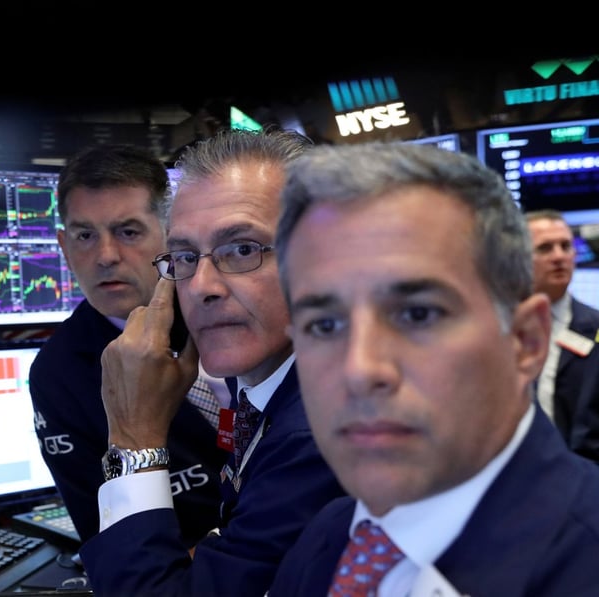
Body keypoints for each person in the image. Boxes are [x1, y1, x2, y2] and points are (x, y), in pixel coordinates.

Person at [267, 142, 599, 595]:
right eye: (324, 325)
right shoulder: (328, 534)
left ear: (526, 342)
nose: (360, 370)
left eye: (418, 314)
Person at [78, 128, 346, 595]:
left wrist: (134, 439)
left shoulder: (319, 434)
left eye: (242, 249)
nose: (201, 286)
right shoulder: (273, 382)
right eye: (184, 256)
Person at [29, 143, 226, 545]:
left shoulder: (228, 308)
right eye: (85, 235)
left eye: (128, 232)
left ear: (170, 234)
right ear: (64, 247)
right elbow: (110, 544)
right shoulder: (59, 373)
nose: (105, 256)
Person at [525, 209, 599, 462]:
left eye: (566, 246)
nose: (559, 257)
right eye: (545, 248)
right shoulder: (496, 328)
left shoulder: (597, 328)